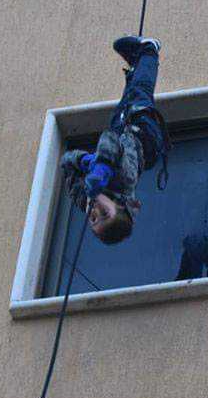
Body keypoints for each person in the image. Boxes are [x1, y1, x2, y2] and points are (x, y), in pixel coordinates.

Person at [60, 37, 169, 245]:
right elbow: (110, 140)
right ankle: (149, 50)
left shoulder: (84, 198)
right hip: (143, 135)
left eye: (94, 219)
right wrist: (102, 166)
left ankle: (136, 62)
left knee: (126, 99)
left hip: (122, 132)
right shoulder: (123, 181)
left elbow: (66, 162)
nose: (96, 211)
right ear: (121, 206)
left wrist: (85, 161)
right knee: (140, 91)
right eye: (105, 213)